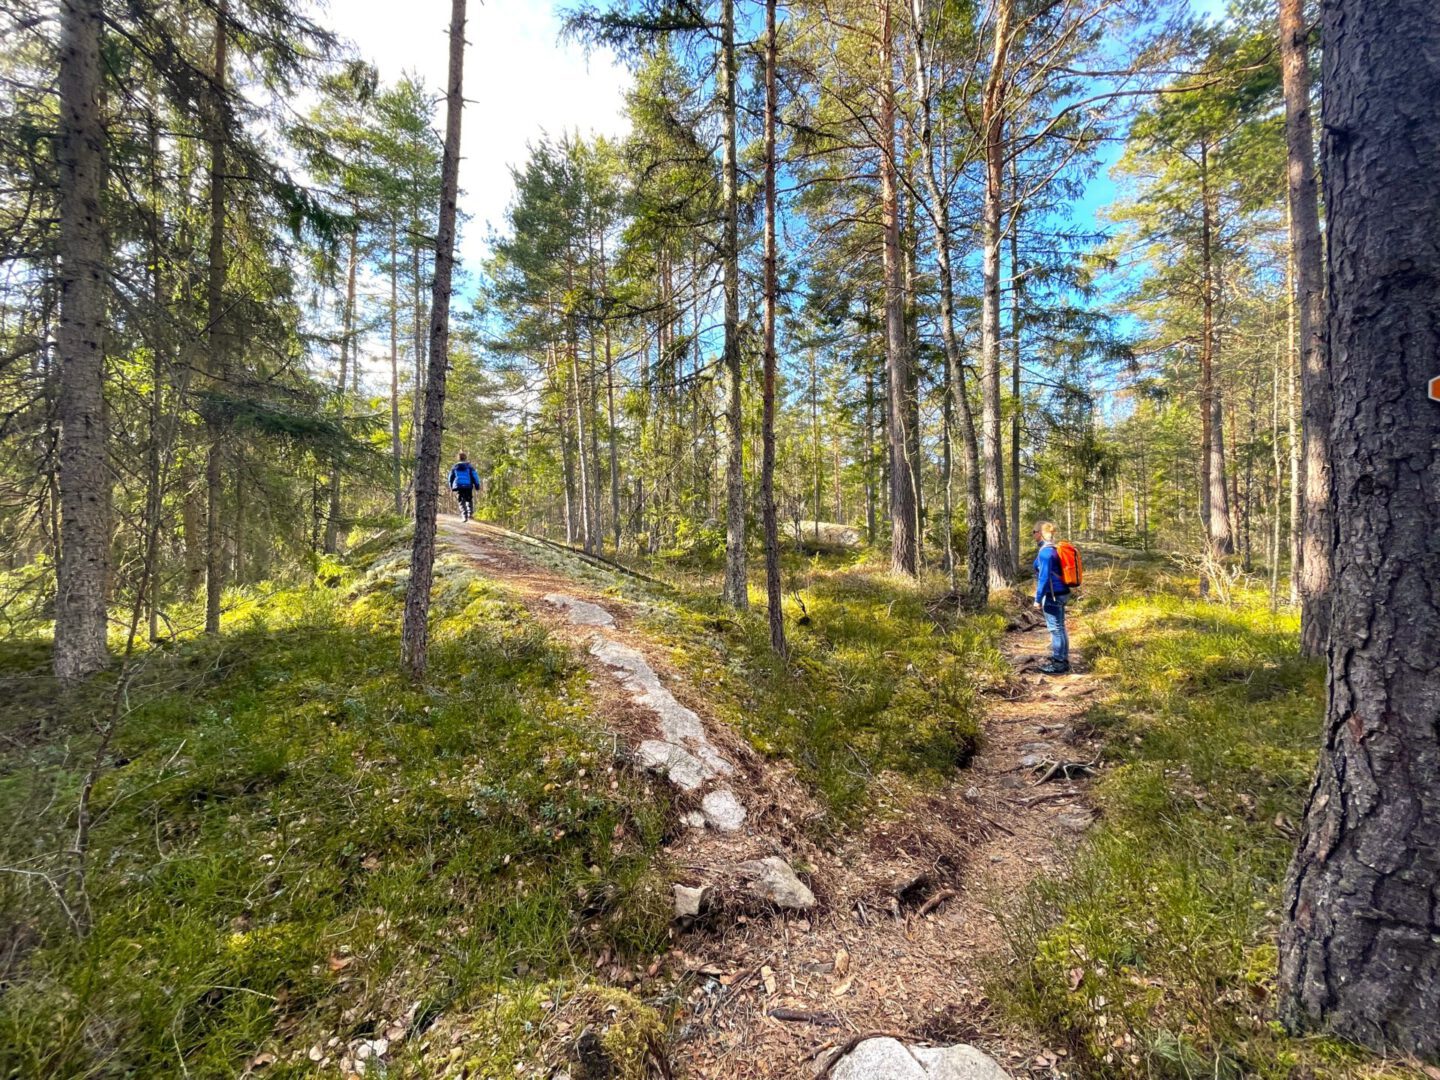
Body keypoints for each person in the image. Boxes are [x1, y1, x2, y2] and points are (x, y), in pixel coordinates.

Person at [1032, 520, 1070, 674]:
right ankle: (1062, 660)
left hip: (1053, 595)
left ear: (1040, 533)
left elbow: (1044, 577)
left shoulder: (1046, 552)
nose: (1033, 535)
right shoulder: (1053, 549)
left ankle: (1059, 664)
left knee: (1055, 629)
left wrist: (1037, 599)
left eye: (1034, 532)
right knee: (1060, 627)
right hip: (1062, 592)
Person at [448, 452, 480, 522]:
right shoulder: (469, 467)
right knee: (469, 499)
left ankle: (464, 516)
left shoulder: (455, 467)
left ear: (458, 458)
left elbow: (450, 477)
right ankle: (470, 514)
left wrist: (451, 485)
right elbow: (475, 476)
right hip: (468, 486)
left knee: (461, 501)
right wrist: (477, 485)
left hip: (459, 485)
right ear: (465, 458)